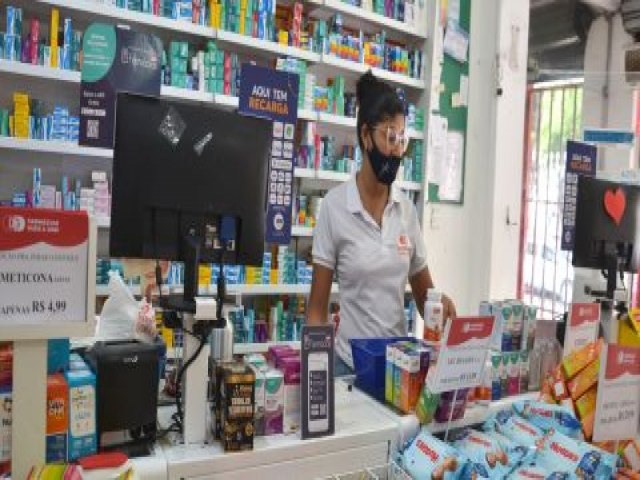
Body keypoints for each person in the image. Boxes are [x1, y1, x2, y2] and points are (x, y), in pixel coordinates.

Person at [307, 71, 456, 376]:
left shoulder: (406, 211)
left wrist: (439, 307)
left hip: (397, 369)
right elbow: (317, 310)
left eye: (402, 140)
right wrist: (315, 378)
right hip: (348, 367)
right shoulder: (335, 207)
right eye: (389, 137)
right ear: (366, 136)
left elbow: (425, 296)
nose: (396, 150)